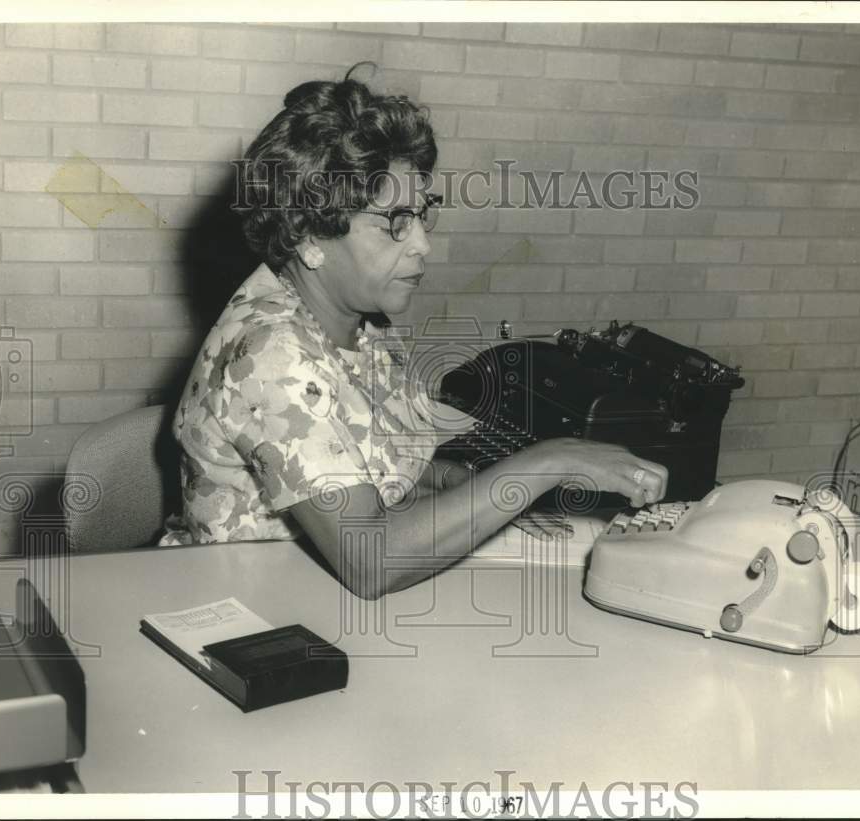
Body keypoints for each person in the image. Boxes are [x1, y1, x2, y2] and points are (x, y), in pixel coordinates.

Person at [160, 65, 668, 599]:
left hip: (316, 596)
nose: (422, 244)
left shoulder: (362, 325)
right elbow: (371, 560)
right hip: (248, 611)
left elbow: (380, 475)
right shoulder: (269, 354)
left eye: (422, 215)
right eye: (393, 223)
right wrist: (549, 460)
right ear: (308, 236)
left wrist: (484, 492)